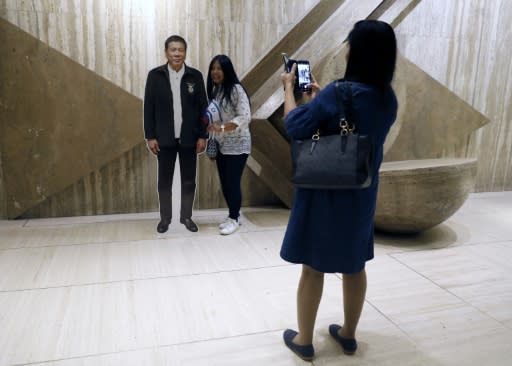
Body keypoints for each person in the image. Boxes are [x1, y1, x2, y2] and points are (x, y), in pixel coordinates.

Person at [280, 20, 398, 361]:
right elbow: (356, 128)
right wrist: (321, 103)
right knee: (355, 265)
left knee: (312, 268)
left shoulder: (337, 92)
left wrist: (290, 88)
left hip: (324, 193)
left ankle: (304, 340)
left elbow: (295, 126)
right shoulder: (386, 99)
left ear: (356, 51)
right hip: (361, 195)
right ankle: (348, 335)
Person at [143, 35, 208, 233]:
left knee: (189, 181)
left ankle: (186, 217)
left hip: (189, 138)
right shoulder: (155, 76)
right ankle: (165, 219)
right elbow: (149, 108)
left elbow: (203, 108)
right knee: (164, 182)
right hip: (164, 139)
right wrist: (150, 136)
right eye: (173, 50)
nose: (177, 53)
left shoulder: (195, 76)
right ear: (166, 53)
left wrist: (203, 136)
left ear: (185, 52)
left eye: (181, 50)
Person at [205, 55, 251, 235]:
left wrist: (222, 127)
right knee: (225, 182)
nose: (215, 72)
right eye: (213, 68)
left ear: (227, 71)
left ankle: (234, 218)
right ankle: (234, 214)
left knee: (232, 182)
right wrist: (212, 143)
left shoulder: (236, 90)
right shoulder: (217, 90)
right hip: (222, 143)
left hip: (238, 144)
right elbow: (214, 120)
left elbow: (245, 117)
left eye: (219, 68)